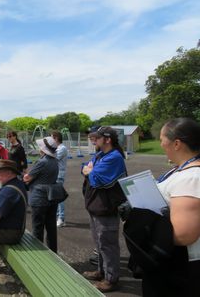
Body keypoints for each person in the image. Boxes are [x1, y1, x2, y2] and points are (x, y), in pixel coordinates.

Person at [136, 118, 200, 296]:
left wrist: (142, 227)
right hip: (173, 262)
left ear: (177, 143)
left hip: (179, 268)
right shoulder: (180, 170)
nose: (161, 143)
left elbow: (183, 234)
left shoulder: (191, 177)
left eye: (162, 138)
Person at [81, 127, 127, 293]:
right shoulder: (101, 154)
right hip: (96, 207)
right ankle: (102, 271)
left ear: (107, 139)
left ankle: (111, 279)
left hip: (106, 208)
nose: (93, 140)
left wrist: (90, 171)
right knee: (99, 243)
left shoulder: (114, 157)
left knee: (108, 245)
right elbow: (84, 167)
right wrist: (88, 170)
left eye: (97, 137)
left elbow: (97, 179)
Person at [23, 137, 59, 252]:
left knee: (37, 228)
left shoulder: (42, 162)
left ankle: (37, 254)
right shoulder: (55, 161)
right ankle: (53, 253)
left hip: (39, 197)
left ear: (43, 149)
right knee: (51, 227)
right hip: (52, 196)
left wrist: (25, 175)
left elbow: (27, 178)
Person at [51, 130, 69, 228]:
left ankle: (61, 218)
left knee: (58, 197)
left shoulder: (62, 148)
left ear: (56, 138)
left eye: (52, 138)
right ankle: (58, 216)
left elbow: (53, 158)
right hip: (55, 174)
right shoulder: (58, 148)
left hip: (59, 175)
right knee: (55, 197)